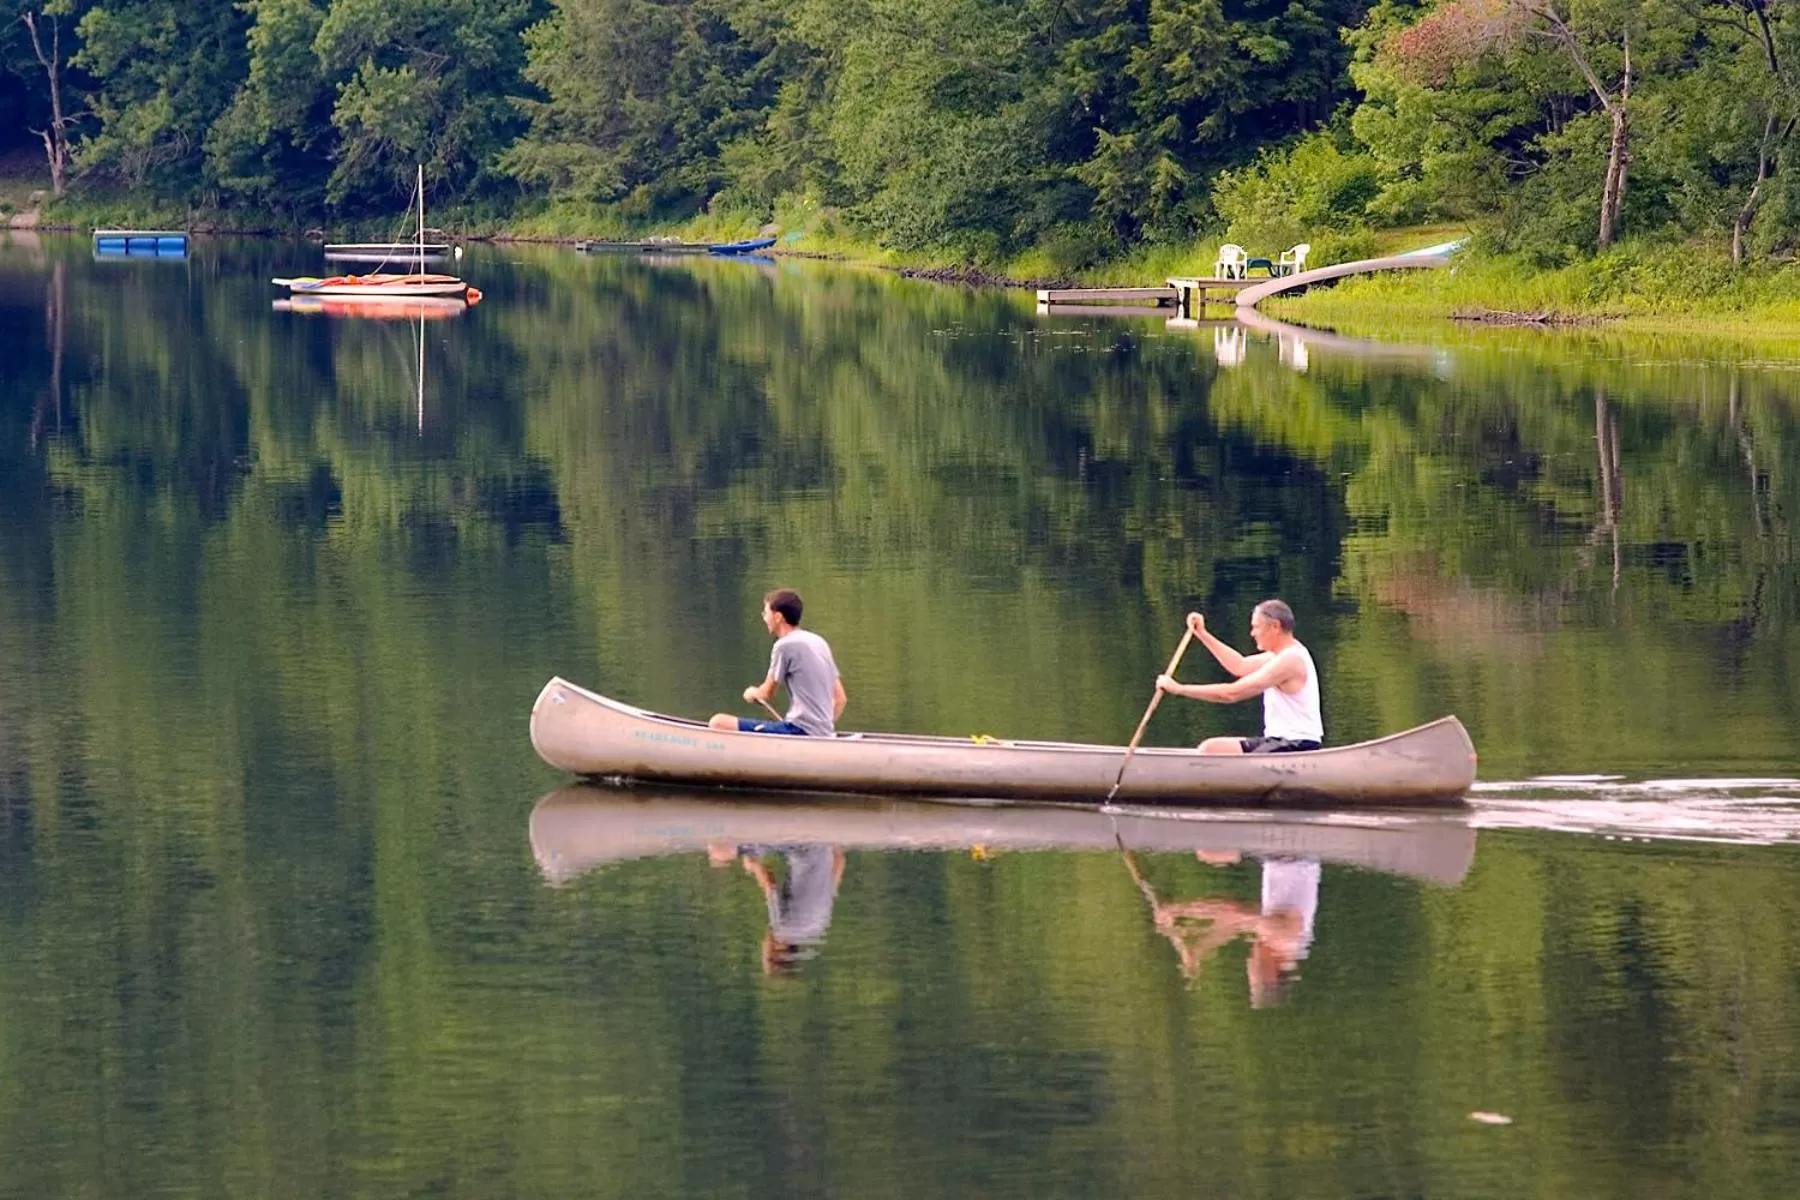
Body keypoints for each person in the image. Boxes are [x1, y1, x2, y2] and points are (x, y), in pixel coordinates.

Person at [1153, 599, 1322, 754]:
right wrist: (1202, 634)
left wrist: (1180, 689)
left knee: (1213, 752)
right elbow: (1239, 665)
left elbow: (1231, 694)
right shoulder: (1278, 656)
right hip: (1278, 742)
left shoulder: (1290, 660)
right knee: (1210, 748)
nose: (1252, 633)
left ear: (1275, 627)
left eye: (1256, 627)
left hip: (1297, 745)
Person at [709, 587, 847, 736]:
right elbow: (840, 699)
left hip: (799, 730)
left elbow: (766, 693)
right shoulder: (819, 642)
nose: (764, 618)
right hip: (823, 733)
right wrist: (821, 733)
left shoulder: (784, 646)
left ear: (778, 617)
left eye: (766, 613)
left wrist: (752, 692)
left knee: (718, 722)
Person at [708, 842, 847, 974]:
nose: (763, 946)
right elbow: (770, 884)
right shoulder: (781, 930)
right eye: (764, 952)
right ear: (778, 949)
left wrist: (833, 845)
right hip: (802, 848)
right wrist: (752, 864)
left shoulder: (819, 925)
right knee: (725, 853)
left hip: (824, 849)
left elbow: (839, 864)